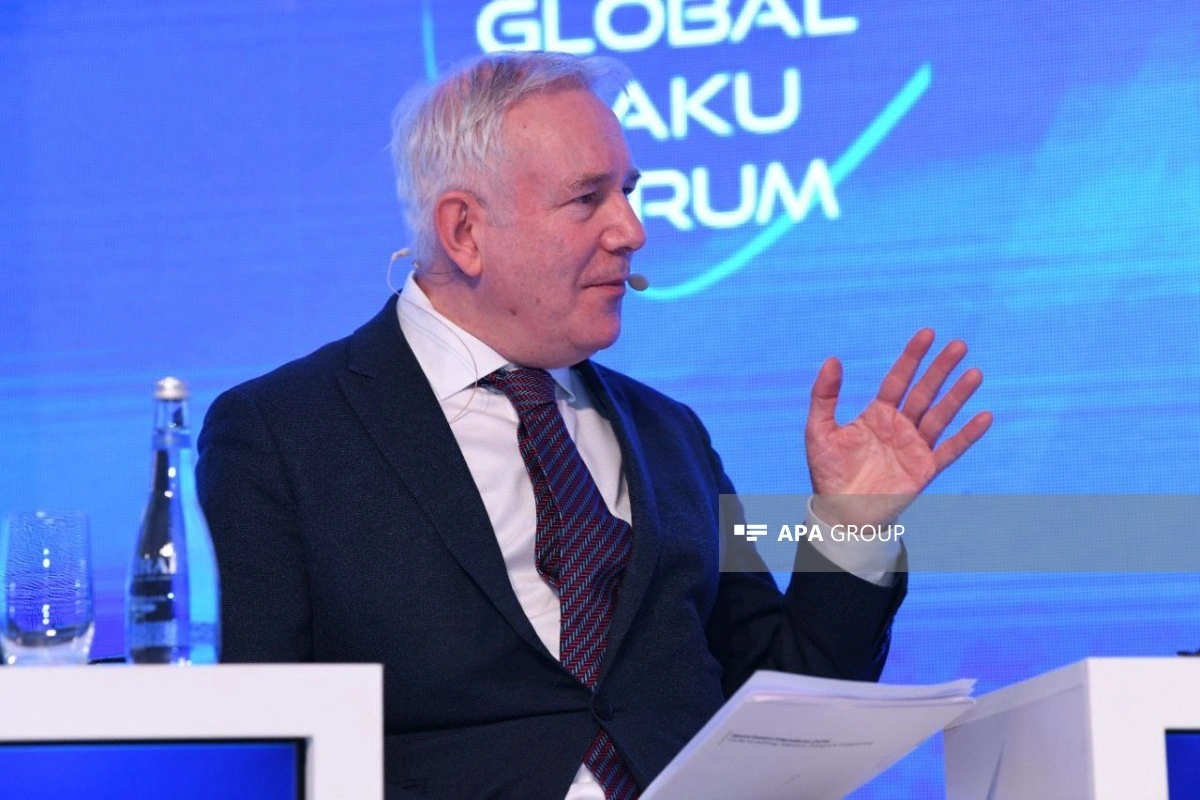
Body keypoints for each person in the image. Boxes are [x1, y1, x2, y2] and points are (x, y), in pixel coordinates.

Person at [196, 51, 991, 799]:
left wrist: (851, 528)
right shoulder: (282, 434)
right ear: (464, 231)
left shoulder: (671, 436)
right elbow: (257, 743)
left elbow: (786, 716)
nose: (631, 230)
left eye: (629, 192)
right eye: (588, 199)